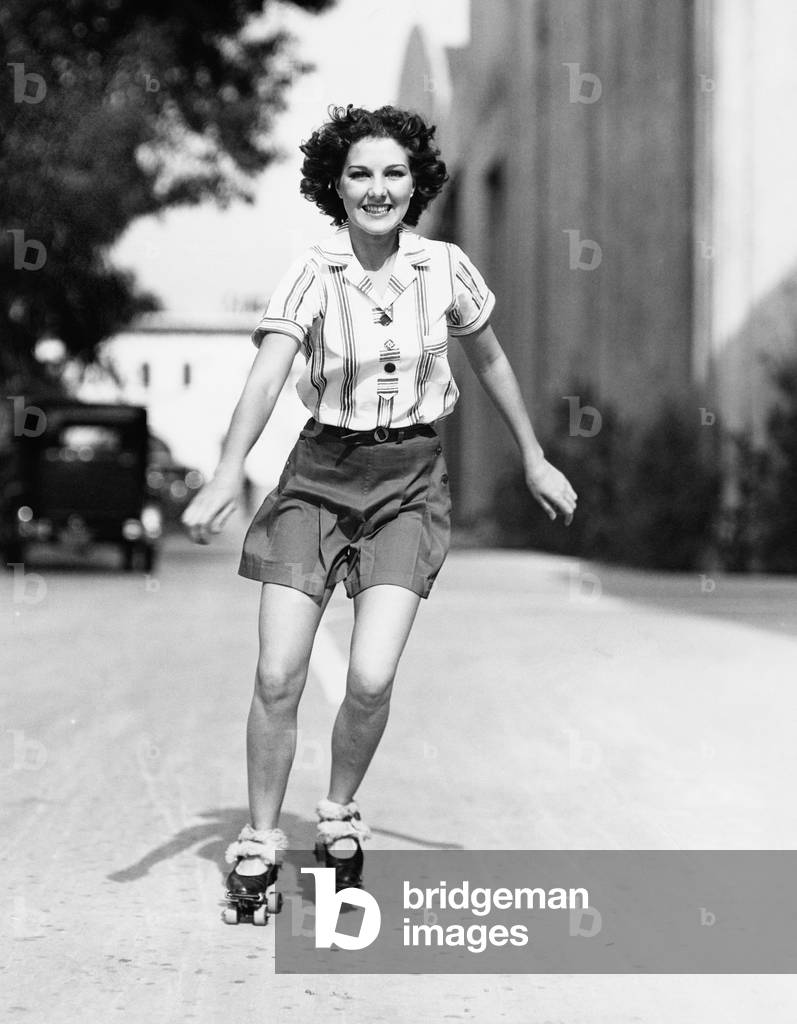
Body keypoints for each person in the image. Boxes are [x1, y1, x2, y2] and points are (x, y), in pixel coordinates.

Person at [182, 104, 578, 909]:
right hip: (318, 478)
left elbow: (491, 362)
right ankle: (259, 838)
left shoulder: (445, 268)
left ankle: (337, 814)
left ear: (415, 183)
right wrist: (227, 471)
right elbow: (267, 377)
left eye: (393, 172)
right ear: (335, 185)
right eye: (359, 173)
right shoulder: (312, 273)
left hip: (408, 484)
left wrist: (533, 456)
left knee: (368, 678)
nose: (377, 188)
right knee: (278, 673)